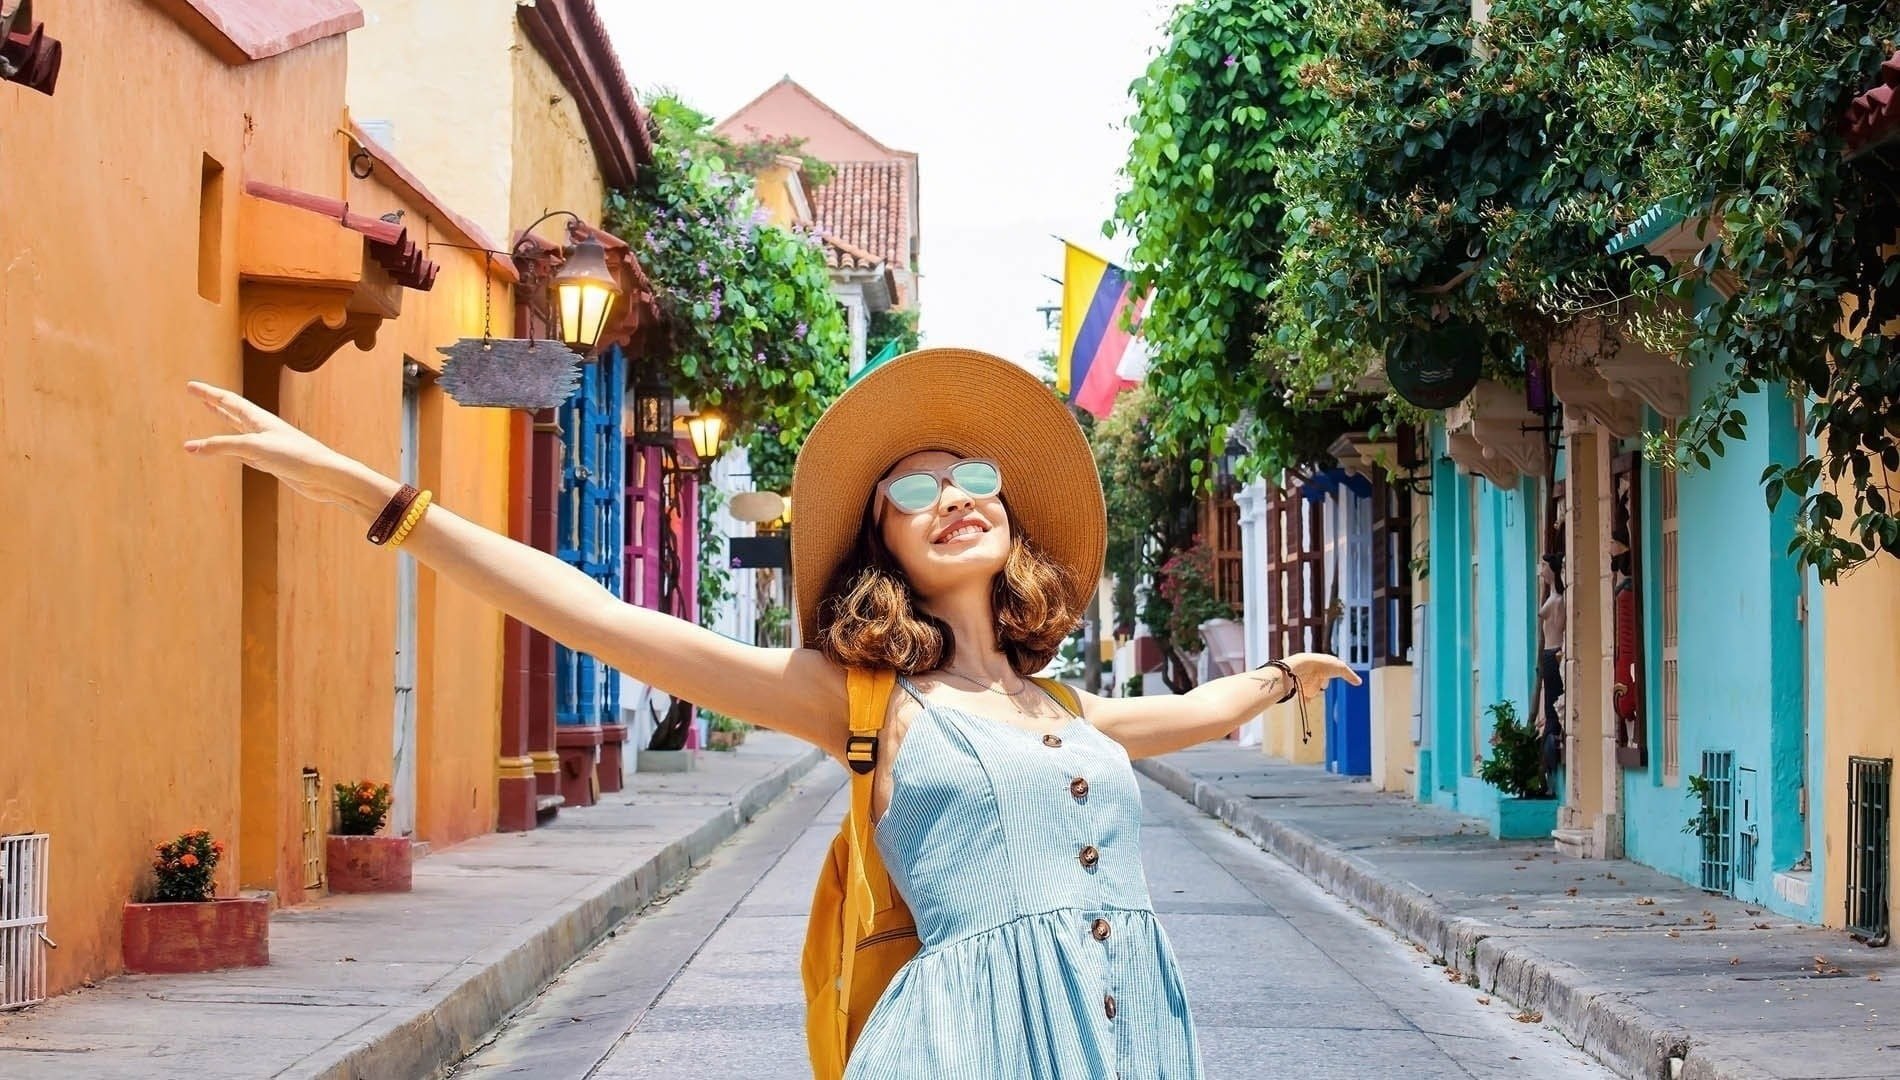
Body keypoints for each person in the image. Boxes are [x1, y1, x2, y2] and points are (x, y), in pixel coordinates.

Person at [183, 346, 1359, 1079]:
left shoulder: (1063, 708)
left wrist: (1275, 682)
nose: (951, 498)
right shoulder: (863, 704)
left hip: (1129, 1043)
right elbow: (605, 622)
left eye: (974, 479)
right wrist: (381, 498)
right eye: (913, 489)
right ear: (879, 543)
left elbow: (1182, 716)